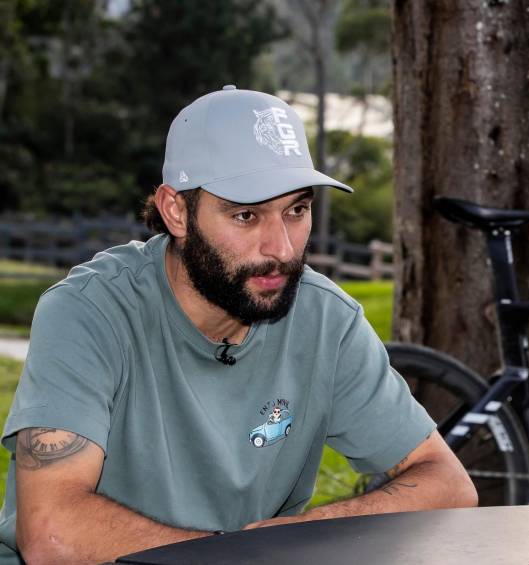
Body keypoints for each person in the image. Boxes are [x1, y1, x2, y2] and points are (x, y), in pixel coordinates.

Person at [0, 86, 477, 564]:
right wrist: (242, 556)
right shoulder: (91, 312)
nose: (283, 249)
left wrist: (301, 535)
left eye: (297, 210)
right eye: (246, 215)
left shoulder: (325, 320)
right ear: (176, 211)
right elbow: (51, 533)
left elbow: (448, 483)